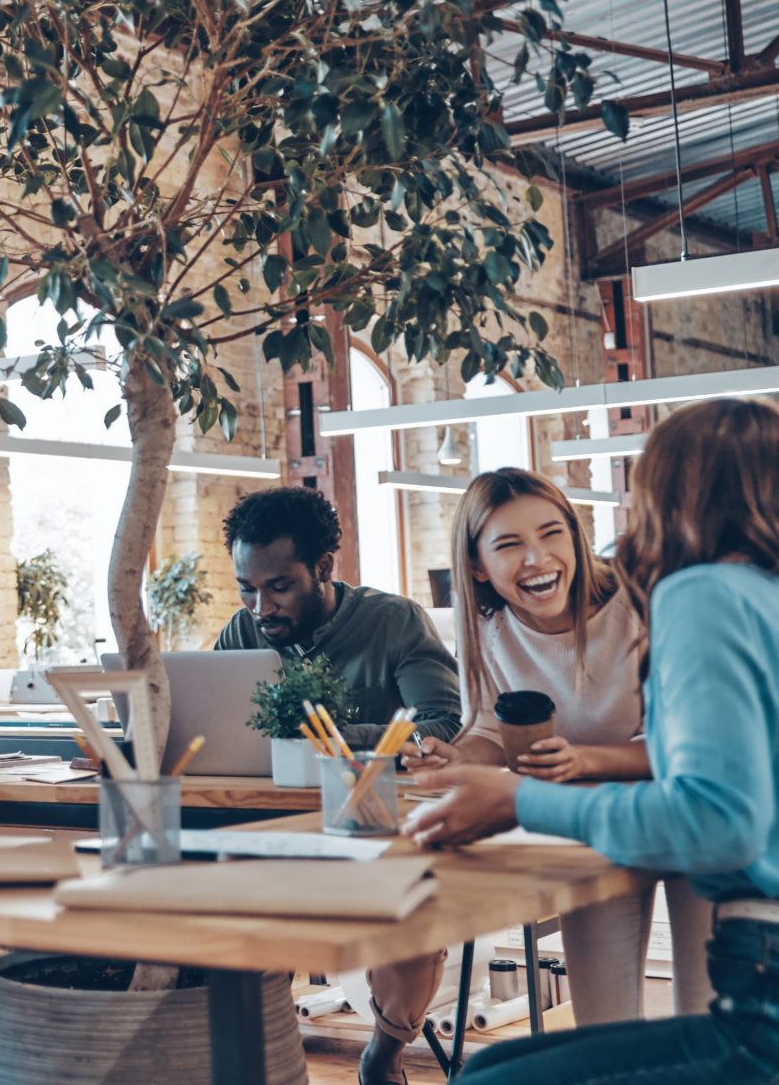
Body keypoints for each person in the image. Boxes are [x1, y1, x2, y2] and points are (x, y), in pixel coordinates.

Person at [404, 399, 779, 1084]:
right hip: (731, 929)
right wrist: (482, 768)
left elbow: (719, 819)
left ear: (677, 492)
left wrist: (523, 799)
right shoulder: (756, 592)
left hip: (760, 968)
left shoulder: (697, 596)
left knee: (490, 1077)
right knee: (498, 1064)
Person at [359, 468, 712, 1085]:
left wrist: (584, 761)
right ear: (476, 567)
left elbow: (692, 745)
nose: (537, 557)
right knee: (603, 1039)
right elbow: (497, 734)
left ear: (576, 538)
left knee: (708, 1024)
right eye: (508, 545)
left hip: (688, 816)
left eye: (553, 534)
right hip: (585, 831)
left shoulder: (643, 602)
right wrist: (456, 756)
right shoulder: (491, 631)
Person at [216, 486, 463, 745]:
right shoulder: (241, 632)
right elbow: (211, 723)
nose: (261, 608)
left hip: (372, 784)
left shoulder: (395, 621)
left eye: (280, 588)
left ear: (323, 567)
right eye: (247, 588)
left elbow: (448, 726)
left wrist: (336, 739)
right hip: (259, 785)